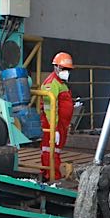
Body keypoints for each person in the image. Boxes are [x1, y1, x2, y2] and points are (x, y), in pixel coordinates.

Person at [40, 52, 75, 181]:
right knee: (51, 151)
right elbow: (50, 108)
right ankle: (51, 176)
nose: (66, 71)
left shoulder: (61, 83)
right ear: (56, 67)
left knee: (55, 151)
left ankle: (51, 173)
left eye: (68, 69)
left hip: (60, 124)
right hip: (53, 124)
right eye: (64, 68)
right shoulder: (52, 83)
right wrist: (54, 128)